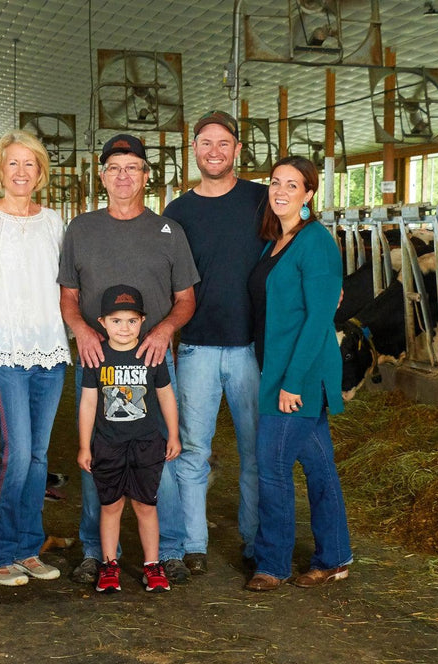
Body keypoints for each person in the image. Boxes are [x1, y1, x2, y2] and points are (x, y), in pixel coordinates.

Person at [58, 133, 199, 585]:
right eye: (114, 168)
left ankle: (169, 551)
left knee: (162, 455)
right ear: (102, 177)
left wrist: (164, 330)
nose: (123, 176)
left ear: (145, 175)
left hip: (152, 359)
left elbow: (186, 299)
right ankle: (98, 553)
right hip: (98, 360)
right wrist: (81, 330)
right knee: (96, 456)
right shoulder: (81, 229)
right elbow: (68, 296)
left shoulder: (168, 232)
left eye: (132, 168)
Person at [0, 130, 70, 586]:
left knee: (39, 457)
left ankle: (28, 547)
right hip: (7, 351)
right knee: (17, 454)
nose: (21, 171)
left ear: (40, 172)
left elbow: (65, 286)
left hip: (51, 350)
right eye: (13, 163)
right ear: (0, 171)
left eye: (30, 163)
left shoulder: (54, 222)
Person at [162, 110, 266, 574]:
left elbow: (299, 238)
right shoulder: (177, 213)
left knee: (255, 451)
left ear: (238, 149)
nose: (215, 151)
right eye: (206, 143)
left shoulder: (261, 200)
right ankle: (193, 544)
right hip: (196, 348)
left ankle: (256, 541)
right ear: (194, 150)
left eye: (224, 143)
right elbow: (163, 276)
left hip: (251, 349)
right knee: (192, 450)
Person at [244, 156, 352, 592]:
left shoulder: (316, 242)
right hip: (277, 368)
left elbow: (318, 319)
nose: (281, 191)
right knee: (320, 468)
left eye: (293, 184)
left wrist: (292, 382)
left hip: (299, 374)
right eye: (275, 182)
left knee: (272, 466)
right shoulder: (276, 241)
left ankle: (272, 564)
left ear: (309, 194)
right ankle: (335, 557)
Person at [78, 285, 182, 593]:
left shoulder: (151, 355)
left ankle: (152, 565)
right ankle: (110, 565)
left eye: (132, 321)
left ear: (143, 321)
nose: (124, 328)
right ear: (102, 322)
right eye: (116, 320)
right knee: (110, 505)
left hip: (146, 443)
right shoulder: (96, 357)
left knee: (145, 505)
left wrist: (173, 434)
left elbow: (166, 396)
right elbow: (88, 402)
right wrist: (84, 445)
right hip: (108, 444)